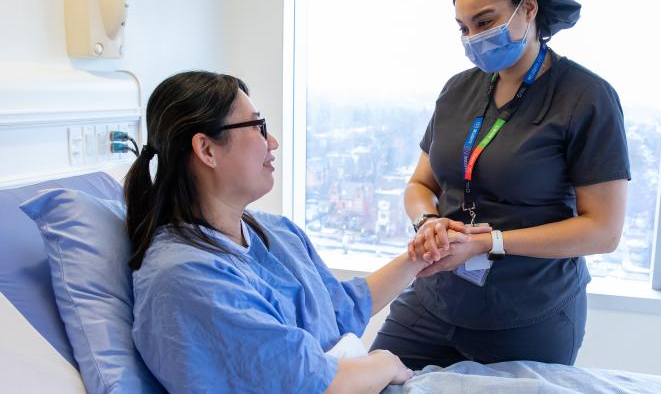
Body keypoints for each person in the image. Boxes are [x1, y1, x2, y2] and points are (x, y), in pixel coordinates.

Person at [370, 0, 630, 369]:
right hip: (436, 300)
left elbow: (603, 231)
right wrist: (428, 222)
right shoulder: (458, 90)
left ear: (528, 8)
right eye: (463, 27)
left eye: (485, 22)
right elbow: (421, 184)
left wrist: (490, 242)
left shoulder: (586, 98)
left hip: (528, 313)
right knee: (369, 379)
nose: (473, 39)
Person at [124, 71, 436, 393]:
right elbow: (310, 384)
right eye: (258, 127)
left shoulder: (277, 233)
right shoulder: (185, 277)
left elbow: (340, 308)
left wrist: (419, 257)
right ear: (207, 150)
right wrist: (383, 363)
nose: (272, 142)